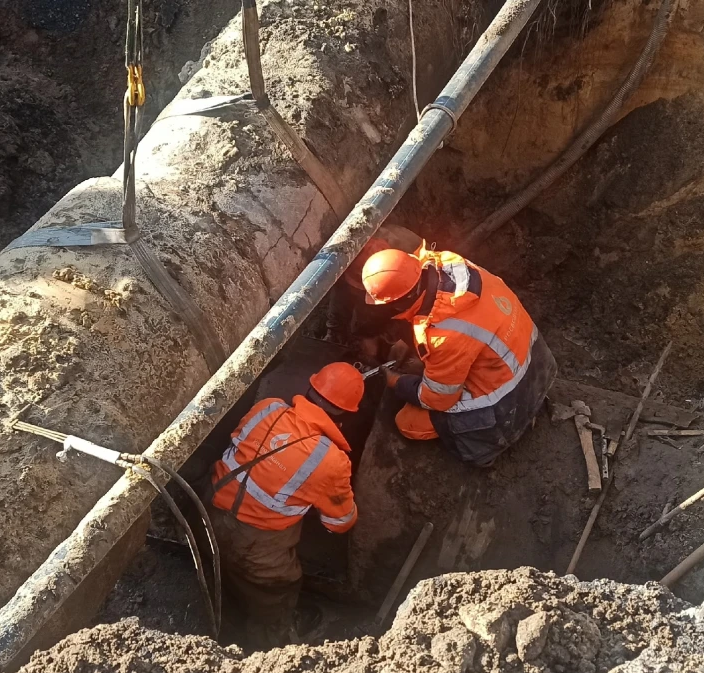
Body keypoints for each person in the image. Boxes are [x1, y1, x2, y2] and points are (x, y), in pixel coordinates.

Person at [209, 362, 363, 648]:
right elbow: (339, 523)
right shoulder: (331, 461)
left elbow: (239, 443)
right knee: (279, 587)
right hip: (256, 547)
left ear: (310, 387)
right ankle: (271, 643)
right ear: (346, 414)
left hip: (208, 512)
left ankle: (229, 603)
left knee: (223, 564)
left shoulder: (267, 408)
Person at [360, 243, 556, 467]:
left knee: (408, 423)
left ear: (398, 303)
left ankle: (490, 444)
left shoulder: (445, 336)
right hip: (537, 361)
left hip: (507, 400)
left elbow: (438, 399)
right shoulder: (449, 264)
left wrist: (396, 382)